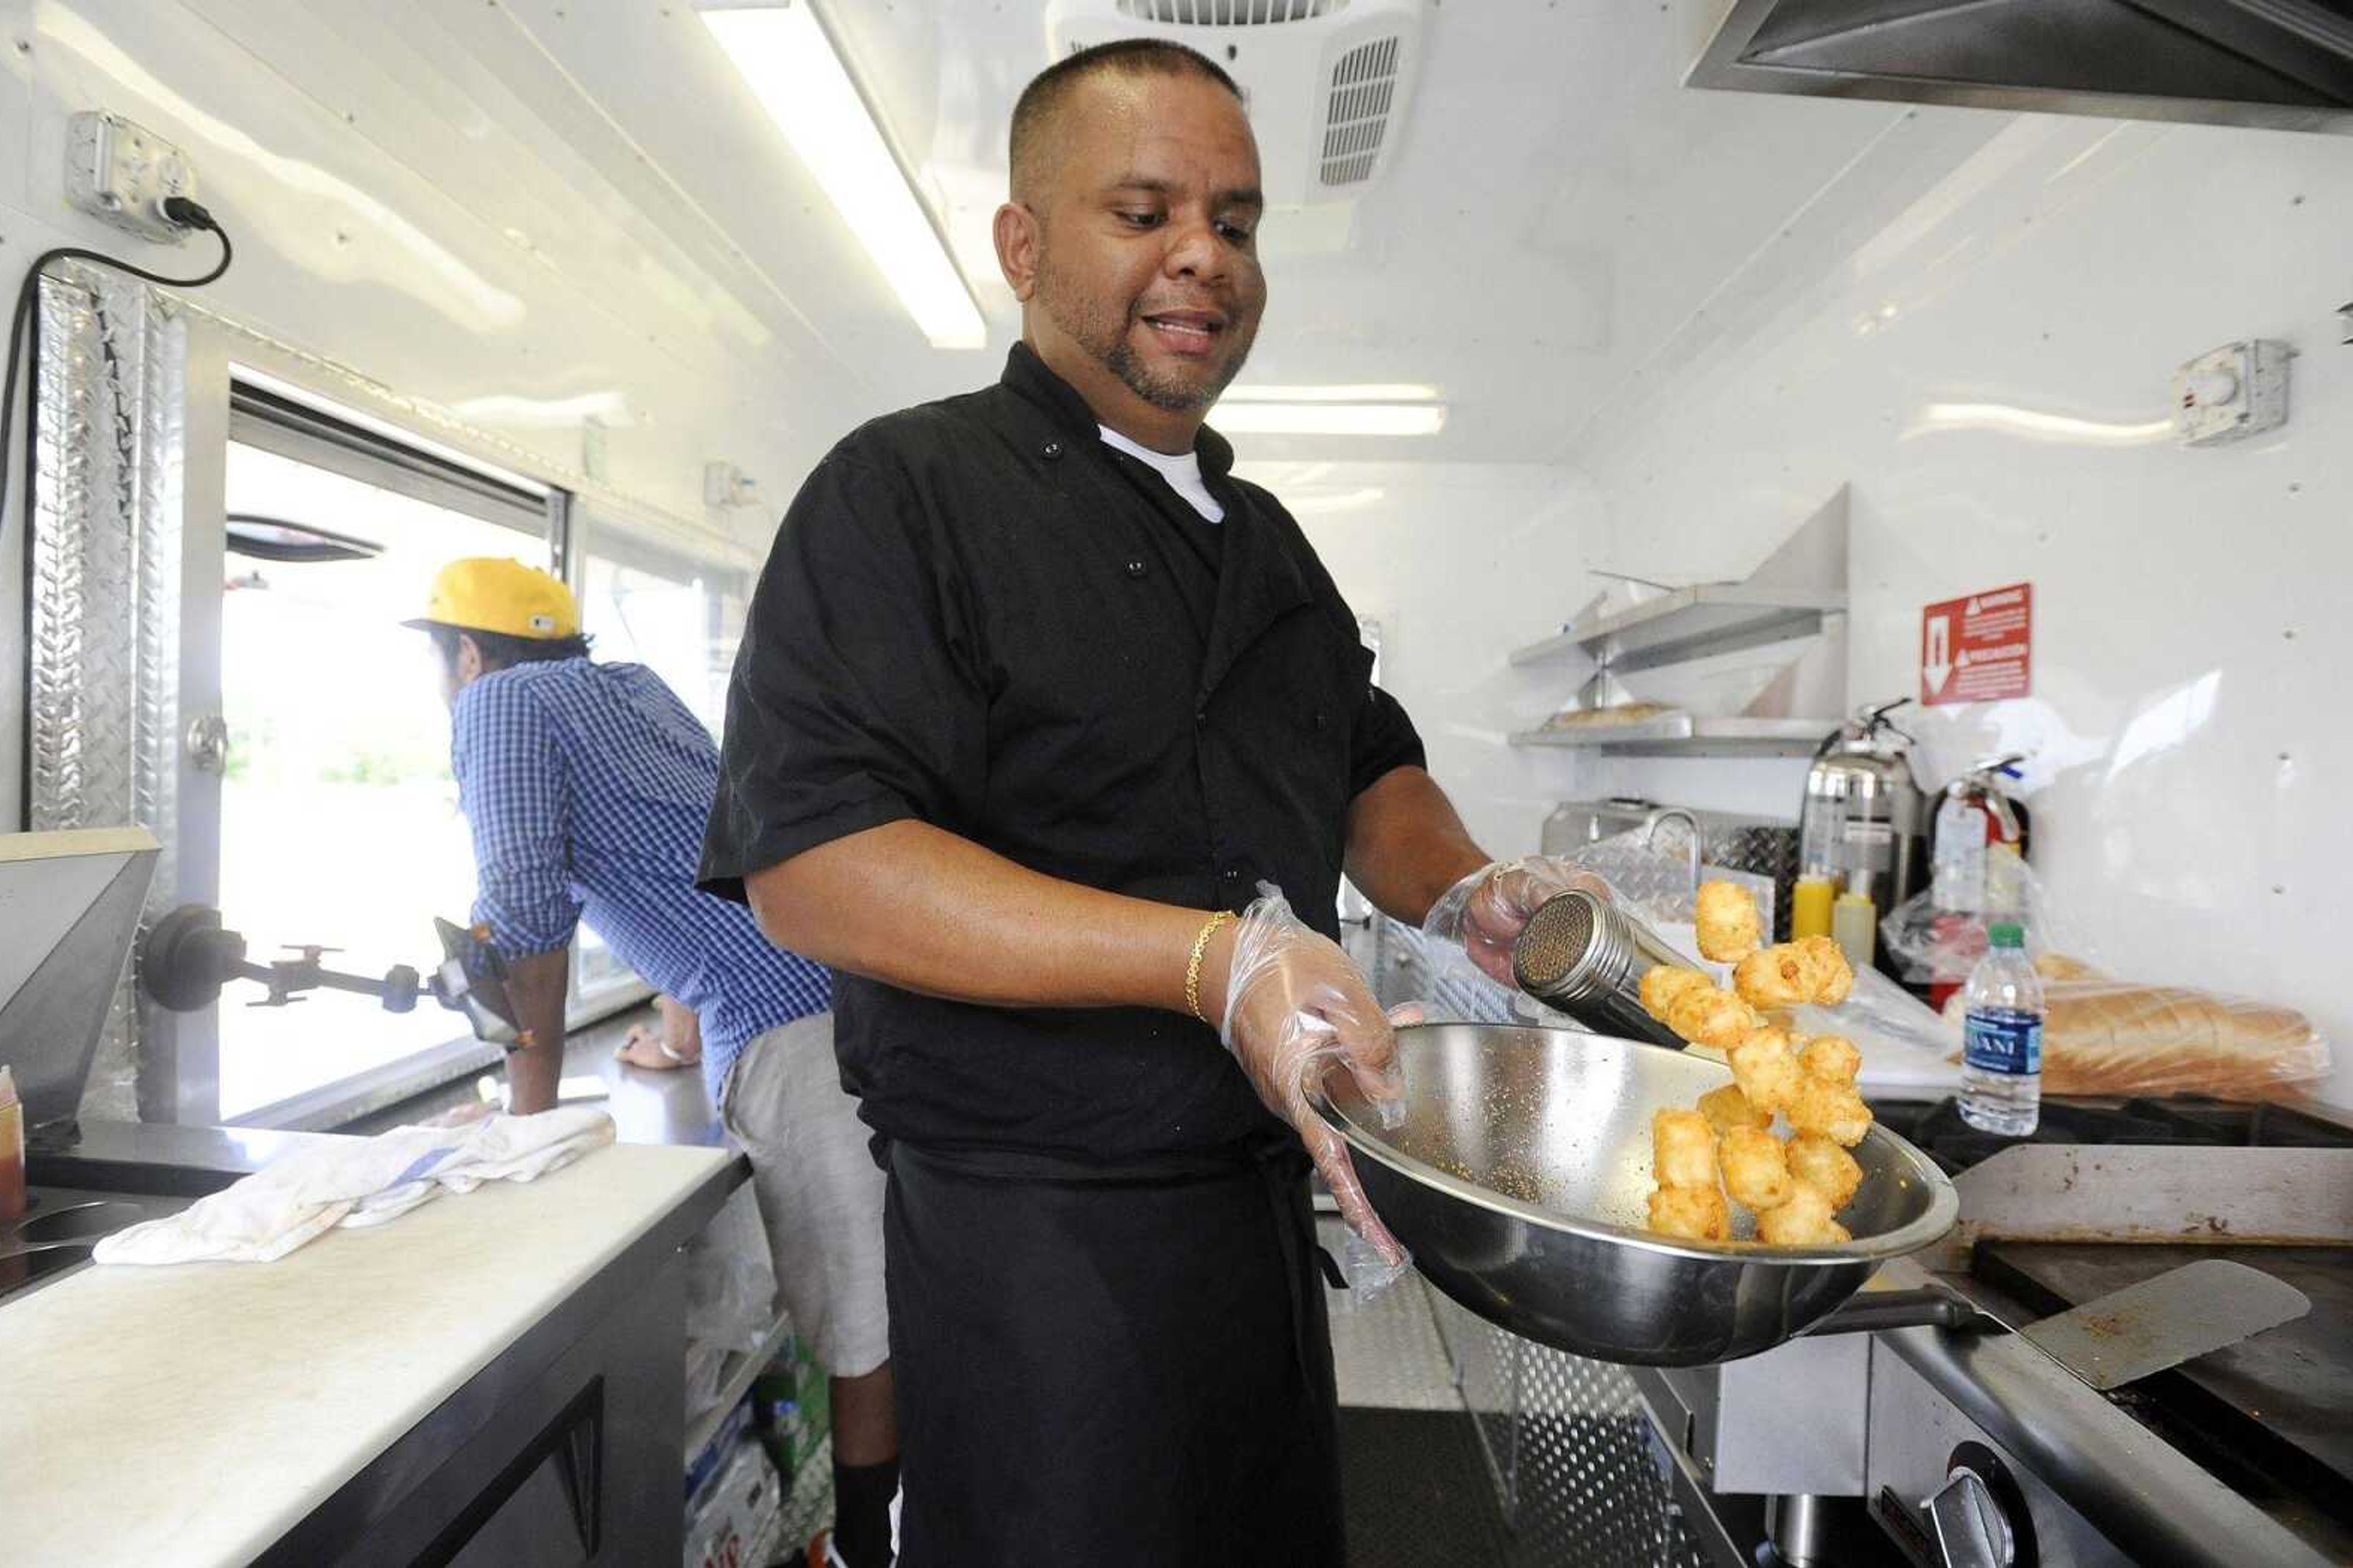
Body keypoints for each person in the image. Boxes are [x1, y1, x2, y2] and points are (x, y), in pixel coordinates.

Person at [699, 40, 1571, 1566]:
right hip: (1036, 1244)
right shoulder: (904, 496)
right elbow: (817, 863)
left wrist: (1471, 888)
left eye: (1233, 222)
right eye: (1144, 211)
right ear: (1023, 246)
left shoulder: (1269, 540)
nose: (1202, 258)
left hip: (1263, 1211)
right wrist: (1206, 961)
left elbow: (1364, 763)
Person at [410, 558, 899, 1568]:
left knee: (862, 1326)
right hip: (852, 992)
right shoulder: (634, 687)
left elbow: (528, 918)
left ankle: (868, 1547)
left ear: (464, 652)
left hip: (787, 1025)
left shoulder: (495, 703)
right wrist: (679, 1038)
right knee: (883, 1301)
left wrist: (526, 1126)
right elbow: (707, 846)